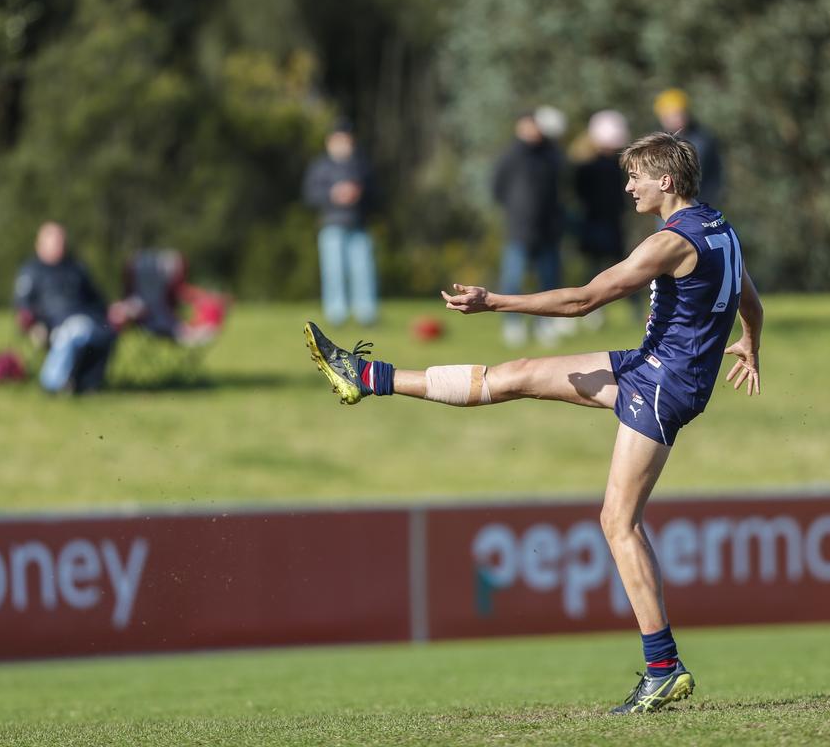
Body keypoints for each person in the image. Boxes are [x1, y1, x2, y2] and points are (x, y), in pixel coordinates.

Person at [304, 132, 763, 714]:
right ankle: (367, 377)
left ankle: (663, 668)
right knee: (516, 374)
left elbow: (582, 302)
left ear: (665, 183)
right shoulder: (719, 226)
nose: (626, 187)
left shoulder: (668, 244)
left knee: (618, 522)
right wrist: (749, 341)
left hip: (664, 387)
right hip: (651, 368)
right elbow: (750, 296)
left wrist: (494, 302)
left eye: (635, 178)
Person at [14, 222, 115, 394]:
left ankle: (86, 384)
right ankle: (52, 383)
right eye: (54, 242)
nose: (59, 246)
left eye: (61, 241)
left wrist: (112, 312)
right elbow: (23, 305)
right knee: (75, 329)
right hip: (54, 323)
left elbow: (97, 299)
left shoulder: (76, 268)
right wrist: (31, 324)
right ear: (40, 245)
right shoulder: (31, 271)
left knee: (105, 332)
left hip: (88, 320)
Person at [491, 110, 565, 346]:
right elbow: (496, 188)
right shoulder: (510, 156)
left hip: (548, 230)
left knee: (549, 281)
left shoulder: (552, 155)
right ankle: (512, 324)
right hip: (519, 229)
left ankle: (546, 324)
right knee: (513, 279)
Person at [302, 118, 378, 326]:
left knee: (363, 271)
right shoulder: (320, 166)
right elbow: (310, 195)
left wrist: (358, 194)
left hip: (358, 225)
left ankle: (366, 313)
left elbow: (376, 194)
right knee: (334, 272)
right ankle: (336, 314)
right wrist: (333, 195)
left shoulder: (361, 165)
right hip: (332, 225)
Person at [573, 110, 635, 328]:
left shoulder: (619, 165)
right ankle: (593, 312)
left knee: (625, 268)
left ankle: (635, 311)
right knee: (595, 268)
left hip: (612, 221)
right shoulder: (586, 166)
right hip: (594, 222)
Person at [653, 88, 723, 207]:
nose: (676, 119)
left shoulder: (702, 140)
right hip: (667, 205)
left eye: (679, 114)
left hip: (698, 203)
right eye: (670, 115)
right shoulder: (657, 141)